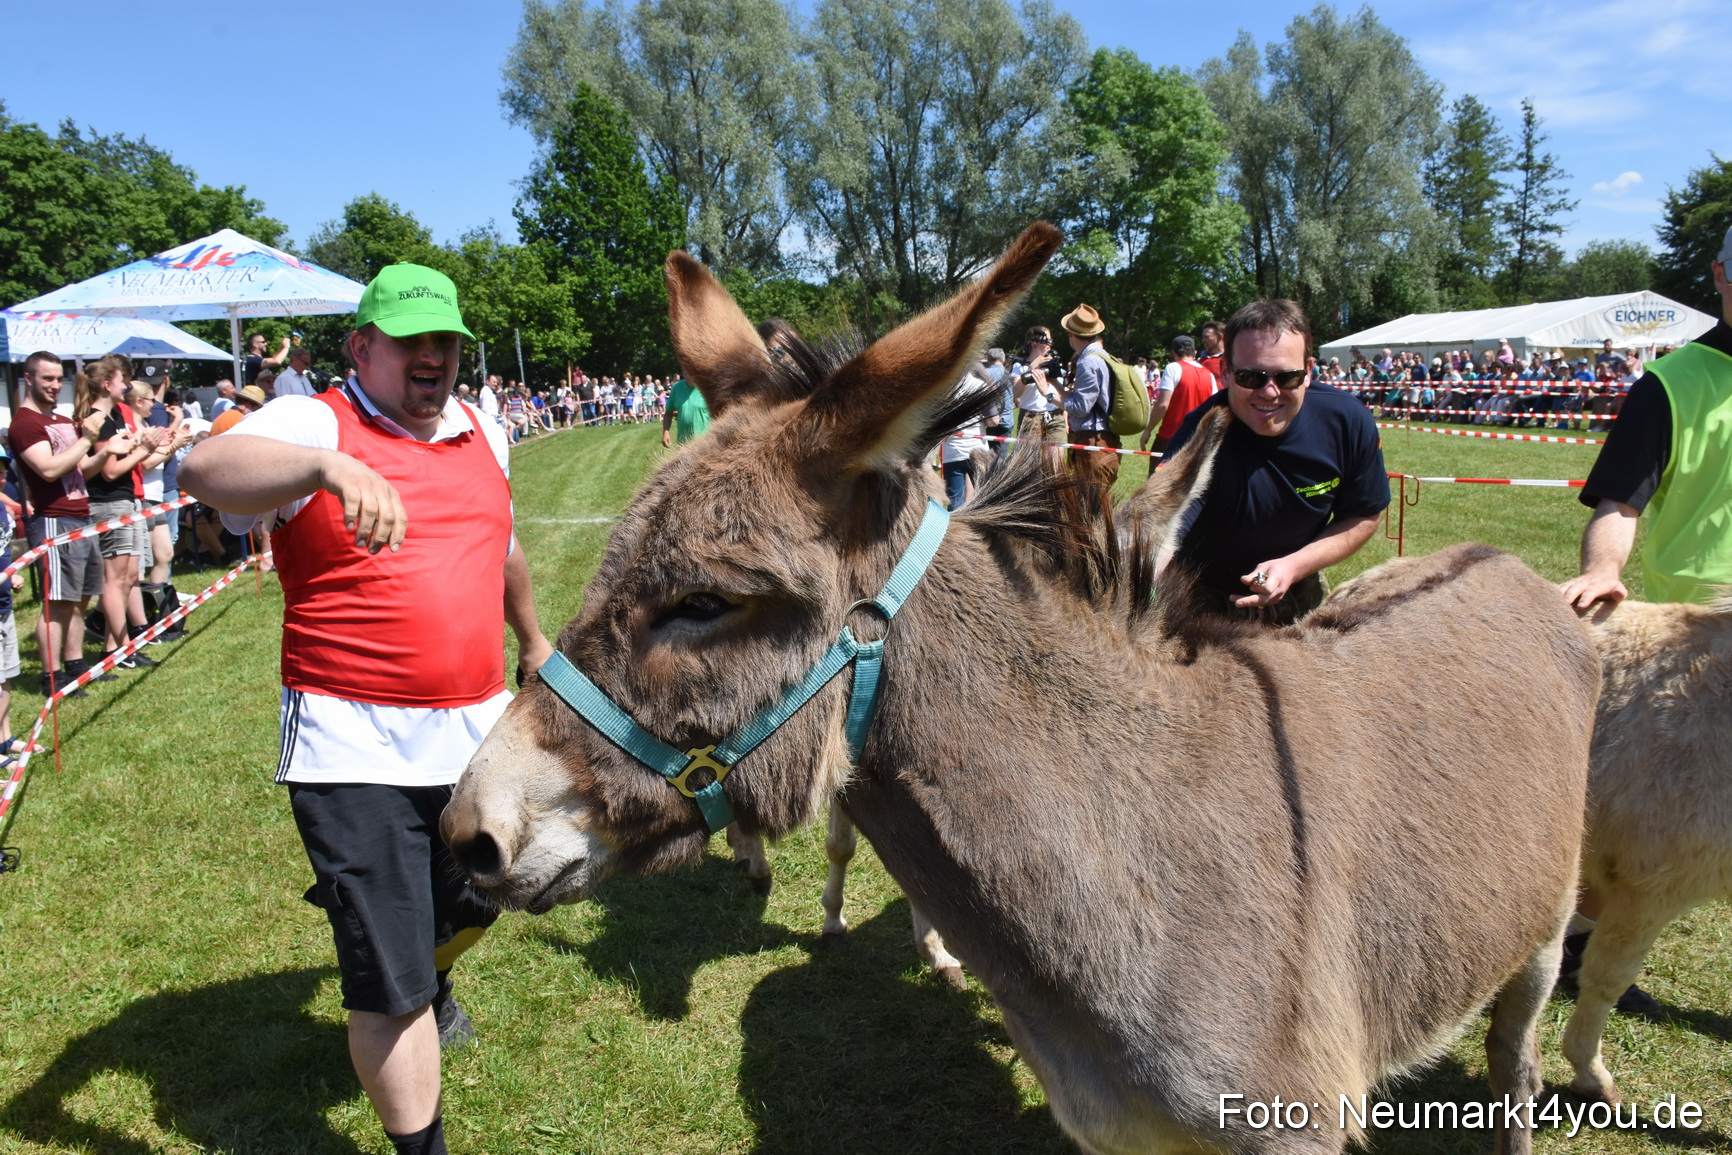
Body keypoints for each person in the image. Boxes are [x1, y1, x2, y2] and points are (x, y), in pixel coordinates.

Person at [179, 263, 554, 1155]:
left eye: (446, 341)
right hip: (351, 741)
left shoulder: (483, 428)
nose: (434, 356)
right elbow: (202, 469)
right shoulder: (318, 422)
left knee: (492, 892)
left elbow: (500, 543)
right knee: (389, 981)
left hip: (475, 730)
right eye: (411, 340)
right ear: (361, 347)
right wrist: (325, 466)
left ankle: (415, 958)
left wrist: (533, 638)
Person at [1162, 299, 1390, 625]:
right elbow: (1165, 524)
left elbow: (1364, 514)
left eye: (1288, 377)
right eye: (1250, 377)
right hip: (1199, 604)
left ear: (1308, 371)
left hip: (1300, 596)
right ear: (1225, 372)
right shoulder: (1198, 433)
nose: (1269, 392)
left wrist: (1294, 566)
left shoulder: (1347, 422)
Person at [8, 351, 116, 697]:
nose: (55, 385)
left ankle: (75, 666)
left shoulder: (61, 420)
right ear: (28, 379)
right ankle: (51, 677)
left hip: (81, 515)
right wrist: (87, 439)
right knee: (57, 602)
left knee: (80, 597)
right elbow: (49, 469)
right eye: (47, 378)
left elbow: (79, 470)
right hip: (54, 520)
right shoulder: (25, 424)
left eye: (58, 379)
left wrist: (108, 450)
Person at [1055, 303, 1121, 492]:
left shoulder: (1088, 362)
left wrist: (1050, 396)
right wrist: (1053, 383)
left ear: (1071, 334)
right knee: (1092, 501)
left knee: (1089, 502)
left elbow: (1080, 408)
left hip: (1093, 441)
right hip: (1101, 439)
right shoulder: (1102, 356)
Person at [1140, 334, 1216, 475]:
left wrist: (1148, 430)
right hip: (1196, 442)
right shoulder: (1209, 375)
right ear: (1195, 352)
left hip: (1170, 439)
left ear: (1173, 353)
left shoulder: (1173, 368)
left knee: (1156, 482)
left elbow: (1162, 405)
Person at [1013, 326, 1067, 455]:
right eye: (1047, 341)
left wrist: (1065, 418)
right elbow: (1016, 393)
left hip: (1055, 416)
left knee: (1055, 464)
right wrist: (1030, 368)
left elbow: (1063, 393)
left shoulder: (1054, 364)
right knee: (1030, 462)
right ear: (1034, 343)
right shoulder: (1020, 365)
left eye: (1051, 341)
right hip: (1030, 417)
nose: (1050, 344)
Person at [661, 372, 710, 447]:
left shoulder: (707, 387)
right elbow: (668, 412)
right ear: (683, 372)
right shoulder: (677, 388)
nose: (690, 373)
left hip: (705, 443)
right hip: (683, 443)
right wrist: (666, 431)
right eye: (686, 370)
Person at [1197, 320, 1225, 386]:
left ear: (1219, 337)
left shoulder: (1229, 360)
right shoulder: (1199, 360)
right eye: (1203, 337)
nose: (1203, 340)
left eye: (1207, 337)